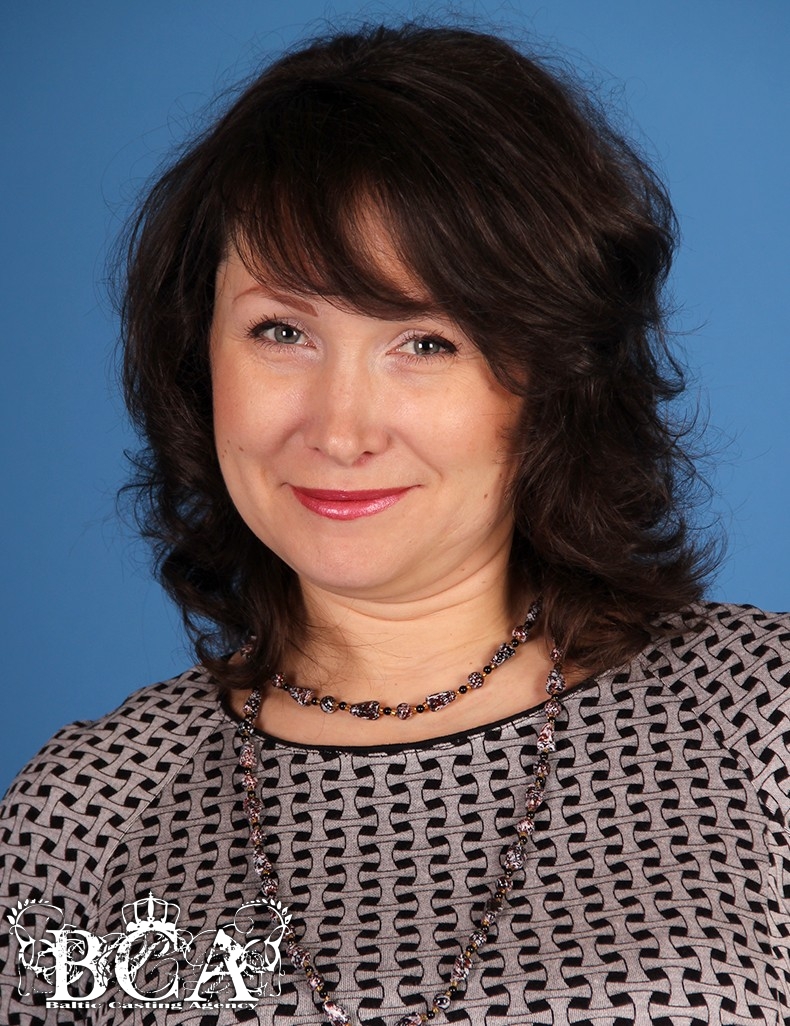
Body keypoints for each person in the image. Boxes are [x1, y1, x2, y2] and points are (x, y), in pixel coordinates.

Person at [1, 21, 787, 1026]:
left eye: (424, 341)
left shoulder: (760, 721)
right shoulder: (85, 813)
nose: (340, 430)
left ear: (555, 377)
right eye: (281, 331)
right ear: (198, 358)